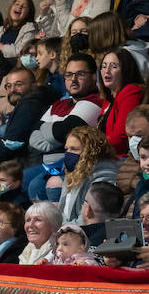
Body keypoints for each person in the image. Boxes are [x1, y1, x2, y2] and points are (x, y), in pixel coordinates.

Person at [28, 53, 105, 200]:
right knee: (19, 181)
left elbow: (64, 132)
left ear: (94, 77)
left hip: (75, 165)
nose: (73, 80)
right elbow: (33, 137)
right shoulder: (58, 104)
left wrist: (51, 132)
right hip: (48, 166)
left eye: (80, 74)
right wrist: (56, 134)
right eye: (69, 75)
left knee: (37, 186)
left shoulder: (95, 102)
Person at [58, 126, 119, 224]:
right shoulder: (73, 170)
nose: (68, 153)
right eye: (66, 149)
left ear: (90, 152)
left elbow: (90, 218)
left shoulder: (105, 175)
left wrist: (63, 229)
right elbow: (63, 211)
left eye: (73, 149)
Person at [97, 48, 145, 156]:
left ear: (126, 70)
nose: (106, 71)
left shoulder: (131, 92)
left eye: (114, 66)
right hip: (108, 155)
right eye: (104, 66)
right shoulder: (108, 98)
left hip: (121, 158)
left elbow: (120, 137)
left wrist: (92, 148)